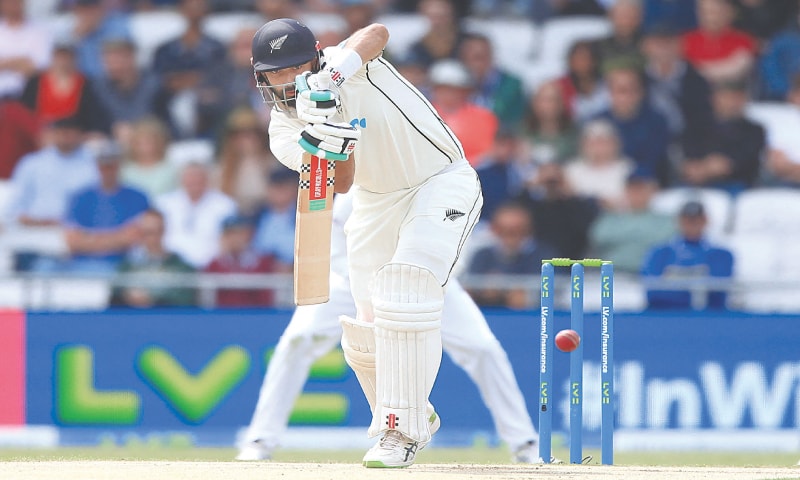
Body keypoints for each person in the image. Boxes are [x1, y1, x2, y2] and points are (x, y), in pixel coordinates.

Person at [251, 17, 483, 468]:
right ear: (262, 77)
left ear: (316, 55)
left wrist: (331, 82)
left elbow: (377, 32)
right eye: (276, 73)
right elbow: (342, 184)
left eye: (297, 68)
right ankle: (415, 407)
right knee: (365, 329)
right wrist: (330, 134)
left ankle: (398, 431)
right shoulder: (283, 131)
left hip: (440, 180)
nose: (288, 81)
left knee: (408, 284)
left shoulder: (345, 63)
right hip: (374, 205)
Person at [237, 193, 540, 464]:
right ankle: (260, 439)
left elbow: (453, 244)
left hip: (428, 283)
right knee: (297, 340)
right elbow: (335, 238)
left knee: (483, 348)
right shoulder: (366, 180)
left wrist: (417, 283)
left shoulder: (439, 179)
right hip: (352, 282)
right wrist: (369, 292)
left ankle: (524, 442)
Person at [60, 141, 150, 274]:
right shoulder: (79, 198)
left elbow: (135, 237)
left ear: (119, 165)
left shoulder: (138, 197)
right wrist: (118, 238)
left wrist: (89, 239)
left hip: (124, 268)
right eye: (103, 165)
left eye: (112, 165)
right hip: (82, 267)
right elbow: (73, 241)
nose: (107, 170)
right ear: (97, 166)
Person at [641, 200, 734, 310]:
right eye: (687, 220)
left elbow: (717, 294)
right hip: (665, 317)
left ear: (706, 220)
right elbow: (652, 293)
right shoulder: (659, 253)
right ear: (679, 221)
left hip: (708, 318)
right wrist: (697, 291)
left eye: (696, 219)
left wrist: (672, 287)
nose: (692, 223)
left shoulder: (722, 255)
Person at [680, 79, 765, 193]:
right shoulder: (696, 126)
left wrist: (710, 168)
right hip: (694, 183)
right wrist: (700, 168)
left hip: (736, 186)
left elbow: (737, 162)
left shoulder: (755, 130)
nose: (732, 102)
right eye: (726, 97)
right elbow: (688, 155)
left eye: (736, 97)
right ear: (714, 98)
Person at [465, 202, 555, 309]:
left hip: (528, 314)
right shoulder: (483, 255)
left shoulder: (543, 256)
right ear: (494, 229)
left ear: (527, 230)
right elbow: (471, 286)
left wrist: (515, 291)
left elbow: (551, 290)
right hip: (486, 310)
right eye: (503, 230)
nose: (509, 237)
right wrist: (485, 289)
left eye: (515, 231)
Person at [588, 172, 676, 273]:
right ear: (625, 191)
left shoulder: (665, 220)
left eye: (642, 189)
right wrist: (641, 234)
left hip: (652, 276)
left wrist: (625, 236)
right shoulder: (611, 218)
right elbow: (598, 237)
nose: (637, 194)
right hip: (614, 274)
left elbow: (666, 240)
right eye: (633, 189)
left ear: (653, 191)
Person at [155, 161, 237, 269]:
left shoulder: (225, 205)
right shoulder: (164, 203)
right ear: (181, 180)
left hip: (210, 268)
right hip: (171, 267)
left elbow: (230, 240)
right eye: (190, 177)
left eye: (199, 177)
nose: (194, 181)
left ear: (208, 179)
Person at [110, 208, 196, 308]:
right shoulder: (127, 267)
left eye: (154, 231)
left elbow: (185, 300)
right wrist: (127, 296)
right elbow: (114, 298)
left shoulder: (181, 267)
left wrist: (152, 300)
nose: (150, 237)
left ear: (163, 231)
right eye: (145, 232)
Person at [428, 59, 498, 167]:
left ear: (465, 91)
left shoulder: (483, 117)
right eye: (443, 88)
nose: (448, 94)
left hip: (475, 173)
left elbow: (491, 153)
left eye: (455, 89)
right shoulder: (423, 113)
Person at [204, 215, 280, 307]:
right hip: (223, 316)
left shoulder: (263, 263)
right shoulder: (214, 265)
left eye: (240, 234)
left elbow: (266, 299)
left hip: (255, 316)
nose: (236, 239)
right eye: (231, 234)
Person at [458, 32, 526, 130]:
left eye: (483, 57)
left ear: (492, 56)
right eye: (475, 58)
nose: (478, 64)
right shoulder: (454, 85)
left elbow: (513, 120)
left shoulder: (511, 85)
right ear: (464, 59)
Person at [564, 119, 634, 211]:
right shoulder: (571, 169)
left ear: (615, 144)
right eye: (593, 142)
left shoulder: (628, 169)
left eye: (603, 142)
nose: (598, 147)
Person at [682, 0, 757, 83]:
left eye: (716, 12)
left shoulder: (744, 42)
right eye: (705, 12)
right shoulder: (686, 42)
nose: (710, 18)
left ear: (729, 13)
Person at [0, 0, 53, 99]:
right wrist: (21, 61)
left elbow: (39, 68)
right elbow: (27, 64)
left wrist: (4, 63)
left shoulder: (40, 31)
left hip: (29, 98)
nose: (12, 5)